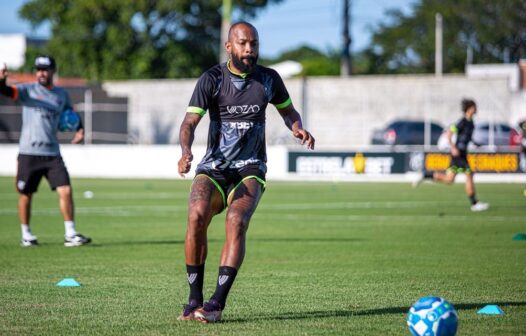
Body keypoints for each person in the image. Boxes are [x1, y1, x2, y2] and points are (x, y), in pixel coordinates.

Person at [176, 21, 315, 323]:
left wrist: (297, 127)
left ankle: (215, 304)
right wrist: (186, 152)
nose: (249, 49)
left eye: (254, 43)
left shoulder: (268, 79)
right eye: (242, 43)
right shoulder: (212, 79)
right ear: (229, 47)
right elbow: (189, 124)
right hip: (214, 167)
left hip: (250, 168)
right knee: (196, 214)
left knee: (236, 220)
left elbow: (288, 110)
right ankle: (193, 299)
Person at [0, 55, 92, 247]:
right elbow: (6, 91)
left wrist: (80, 129)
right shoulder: (28, 91)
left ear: (52, 71)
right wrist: (1, 80)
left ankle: (70, 233)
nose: (41, 73)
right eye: (38, 69)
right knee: (26, 194)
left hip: (52, 153)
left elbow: (71, 113)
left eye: (45, 69)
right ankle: (26, 235)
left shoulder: (61, 94)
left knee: (65, 190)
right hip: (29, 152)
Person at [413, 98, 489, 212]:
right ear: (469, 109)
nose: (476, 109)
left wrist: (476, 143)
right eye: (474, 107)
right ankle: (474, 204)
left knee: (449, 179)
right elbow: (449, 133)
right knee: (469, 174)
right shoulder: (462, 122)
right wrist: (453, 147)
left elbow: (467, 137)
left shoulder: (471, 122)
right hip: (458, 154)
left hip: (462, 154)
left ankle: (426, 175)